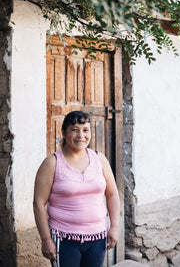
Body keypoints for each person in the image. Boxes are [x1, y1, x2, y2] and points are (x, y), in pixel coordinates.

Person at [33, 110, 120, 267]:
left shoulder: (99, 159)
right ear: (64, 133)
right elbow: (38, 203)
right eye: (75, 130)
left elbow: (112, 194)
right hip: (64, 240)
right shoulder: (52, 163)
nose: (81, 135)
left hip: (98, 238)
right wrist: (46, 239)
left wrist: (114, 227)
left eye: (85, 130)